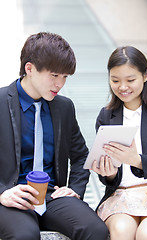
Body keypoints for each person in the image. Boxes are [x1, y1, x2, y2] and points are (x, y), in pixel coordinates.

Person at [0, 32, 108, 240]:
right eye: (54, 75)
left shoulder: (64, 107)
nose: (60, 84)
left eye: (65, 77)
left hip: (52, 195)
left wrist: (75, 189)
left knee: (96, 230)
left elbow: (80, 156)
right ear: (29, 69)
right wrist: (2, 192)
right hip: (12, 195)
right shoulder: (1, 102)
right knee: (25, 235)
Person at [91, 46, 147, 240]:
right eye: (115, 80)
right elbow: (109, 179)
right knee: (122, 231)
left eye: (130, 80)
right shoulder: (106, 116)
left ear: (146, 75)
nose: (122, 87)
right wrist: (109, 173)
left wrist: (137, 160)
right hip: (121, 196)